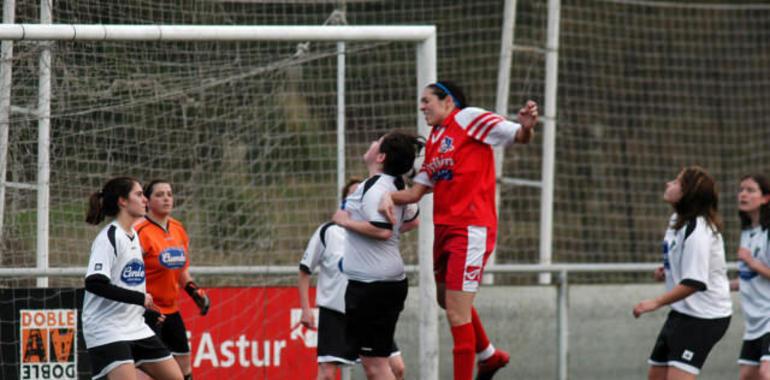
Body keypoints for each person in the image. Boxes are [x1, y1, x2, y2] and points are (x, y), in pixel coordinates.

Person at [378, 81, 538, 380]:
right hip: (445, 229)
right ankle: (488, 356)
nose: (422, 106)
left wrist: (526, 127)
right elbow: (415, 193)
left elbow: (518, 135)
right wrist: (383, 195)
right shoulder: (437, 138)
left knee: (456, 313)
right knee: (444, 298)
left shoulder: (468, 118)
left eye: (427, 100)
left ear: (448, 101)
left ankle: (481, 362)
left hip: (471, 229)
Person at [331, 131, 422, 380]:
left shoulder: (374, 188)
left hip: (372, 287)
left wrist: (346, 222)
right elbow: (413, 221)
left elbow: (381, 232)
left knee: (376, 368)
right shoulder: (396, 186)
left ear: (381, 156)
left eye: (377, 142)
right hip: (384, 283)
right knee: (376, 366)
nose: (372, 142)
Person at [298, 178, 410, 380]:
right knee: (327, 374)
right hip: (336, 312)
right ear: (345, 202)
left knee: (396, 368)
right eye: (353, 194)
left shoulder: (374, 232)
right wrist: (306, 309)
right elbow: (305, 270)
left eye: (362, 194)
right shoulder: (328, 232)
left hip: (367, 309)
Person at [633, 166, 732, 380]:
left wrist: (656, 302)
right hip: (682, 313)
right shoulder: (677, 221)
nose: (669, 184)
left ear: (688, 193)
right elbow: (683, 261)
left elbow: (694, 282)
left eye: (677, 182)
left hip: (705, 317)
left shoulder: (699, 230)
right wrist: (667, 271)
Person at [82, 176, 183, 380]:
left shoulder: (133, 235)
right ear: (123, 201)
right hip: (106, 328)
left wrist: (145, 311)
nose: (145, 199)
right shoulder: (109, 238)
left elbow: (128, 282)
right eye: (139, 194)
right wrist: (139, 299)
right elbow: (94, 283)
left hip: (135, 326)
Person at [135, 180, 211, 380]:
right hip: (147, 312)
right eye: (159, 194)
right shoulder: (139, 232)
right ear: (147, 201)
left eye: (169, 193)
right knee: (151, 371)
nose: (166, 198)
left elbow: (181, 270)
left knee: (184, 366)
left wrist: (195, 292)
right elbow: (128, 274)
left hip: (172, 309)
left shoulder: (178, 229)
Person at [730, 174, 770, 380]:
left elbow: (757, 268)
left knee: (767, 372)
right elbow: (749, 278)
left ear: (765, 198)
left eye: (750, 190)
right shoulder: (747, 232)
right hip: (755, 322)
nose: (743, 194)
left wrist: (753, 262)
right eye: (741, 189)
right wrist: (721, 285)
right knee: (748, 376)